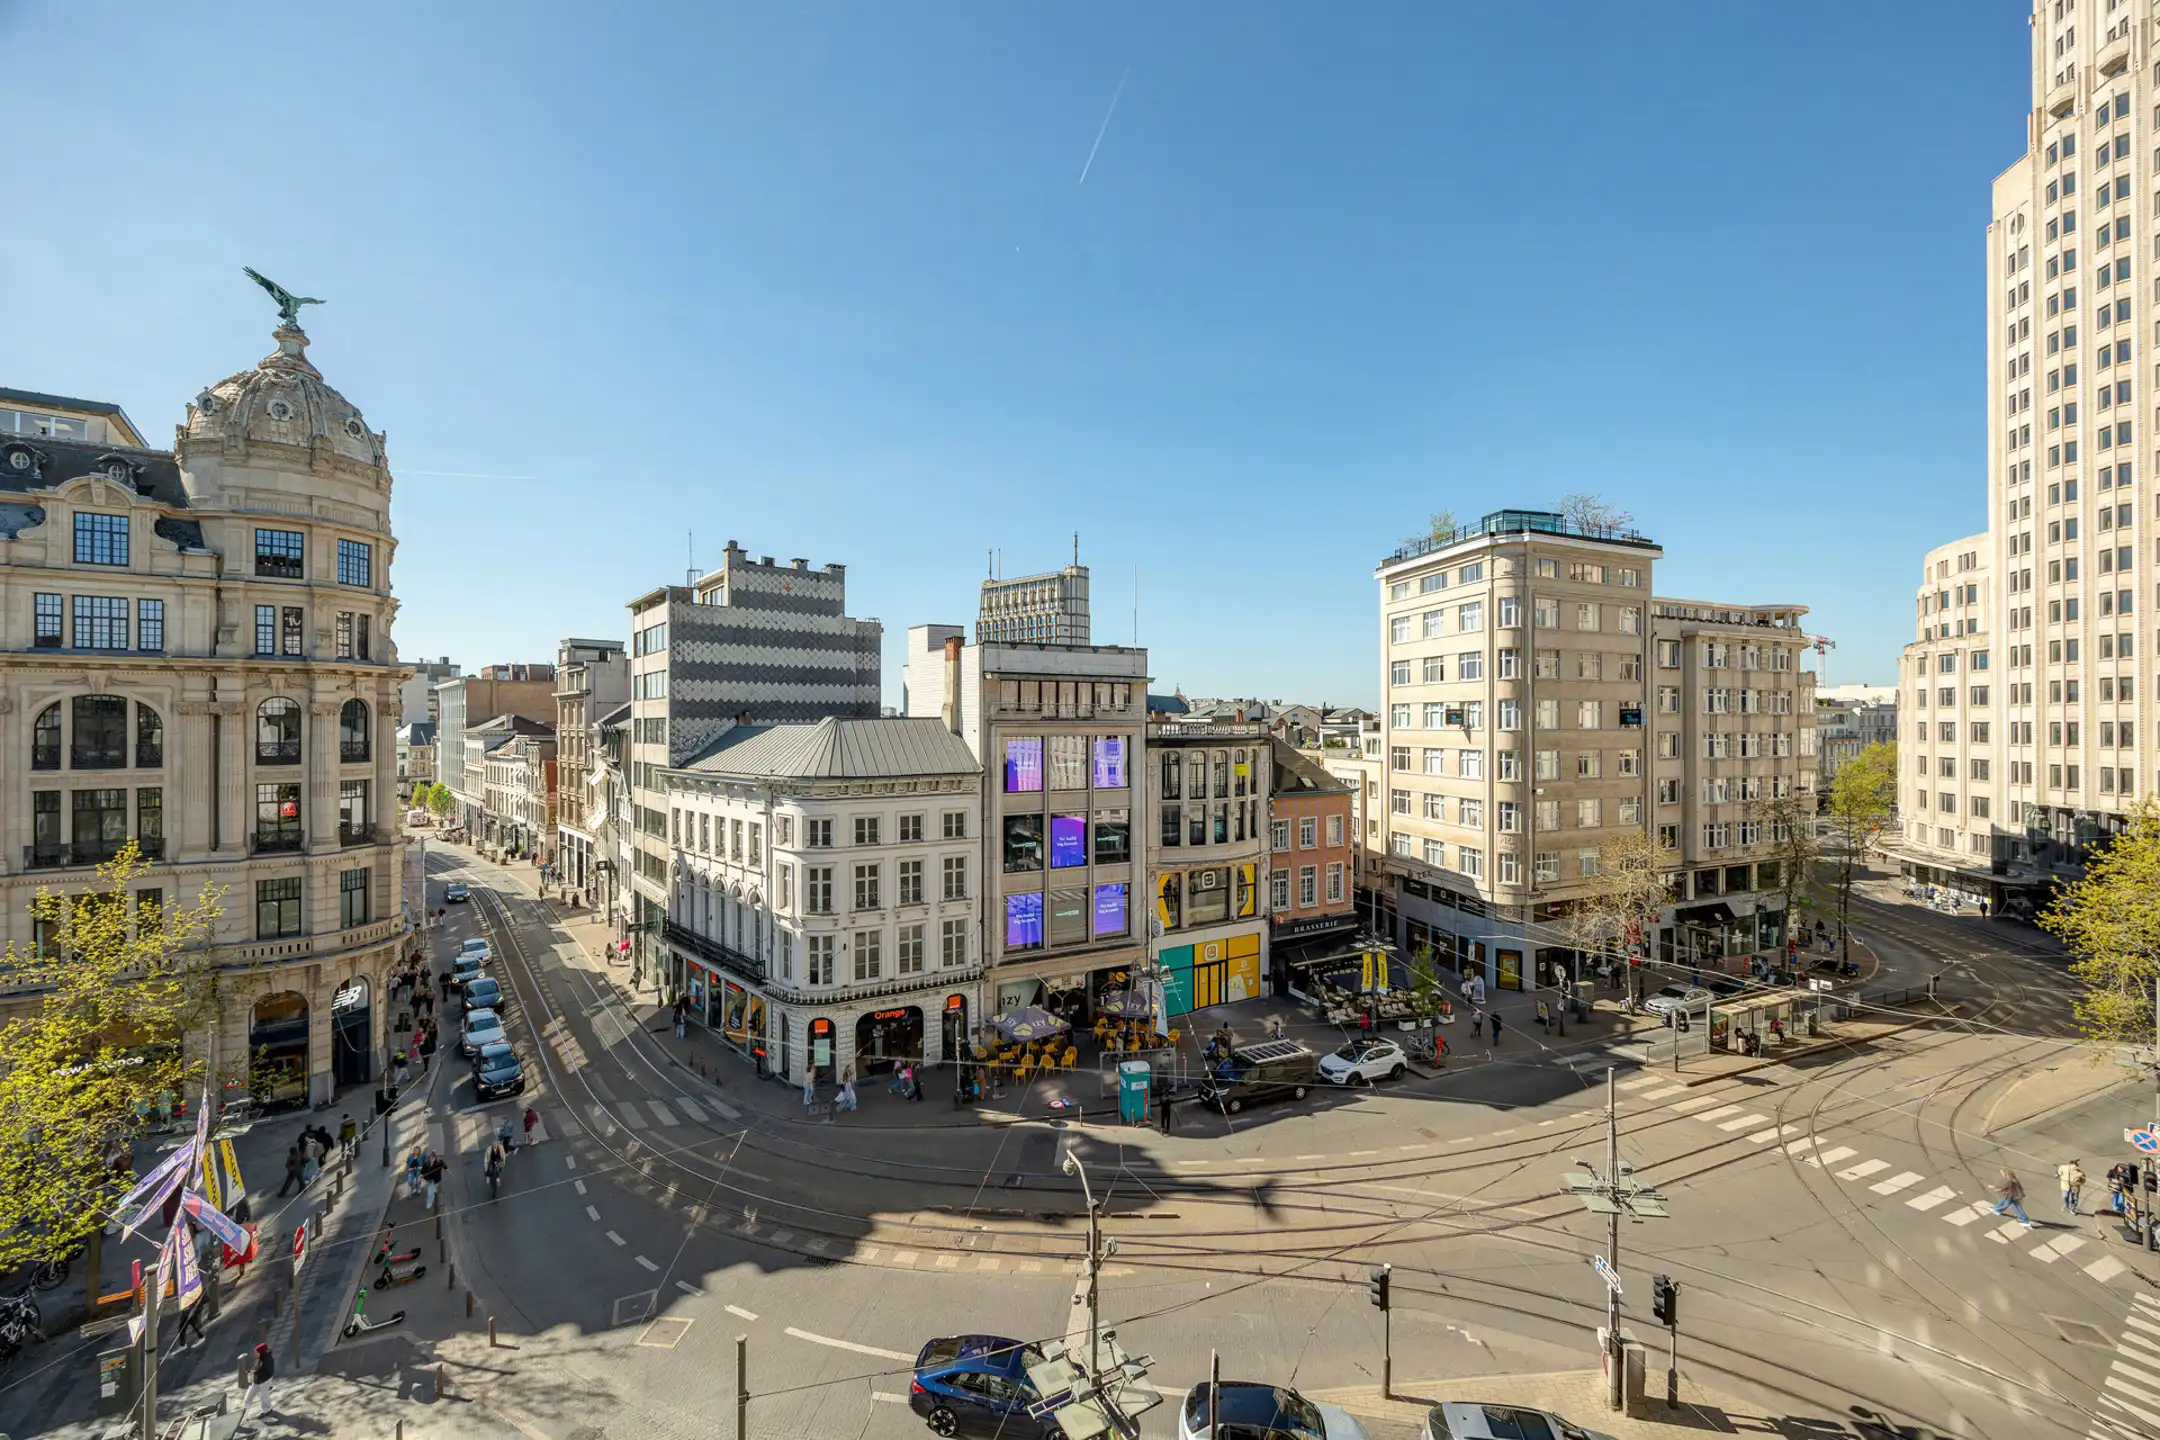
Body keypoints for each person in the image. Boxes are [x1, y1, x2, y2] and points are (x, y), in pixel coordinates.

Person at [236, 1341, 276, 1425]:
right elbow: (258, 1368)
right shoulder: (261, 1358)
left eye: (256, 1352)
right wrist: (253, 1371)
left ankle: (267, 1410)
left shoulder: (266, 1360)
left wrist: (253, 1372)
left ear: (261, 1352)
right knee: (248, 1398)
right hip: (257, 1381)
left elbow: (263, 1371)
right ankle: (244, 1414)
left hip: (264, 1381)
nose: (255, 1353)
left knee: (264, 1396)